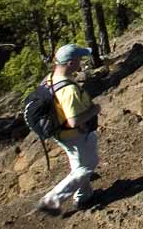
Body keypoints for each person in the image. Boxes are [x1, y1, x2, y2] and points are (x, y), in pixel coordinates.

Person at [38, 44, 99, 215]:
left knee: (79, 164)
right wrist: (94, 110)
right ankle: (51, 201)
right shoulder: (68, 89)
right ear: (71, 62)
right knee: (87, 166)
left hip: (60, 133)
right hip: (74, 134)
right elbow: (74, 120)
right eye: (79, 59)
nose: (81, 62)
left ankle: (84, 197)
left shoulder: (50, 79)